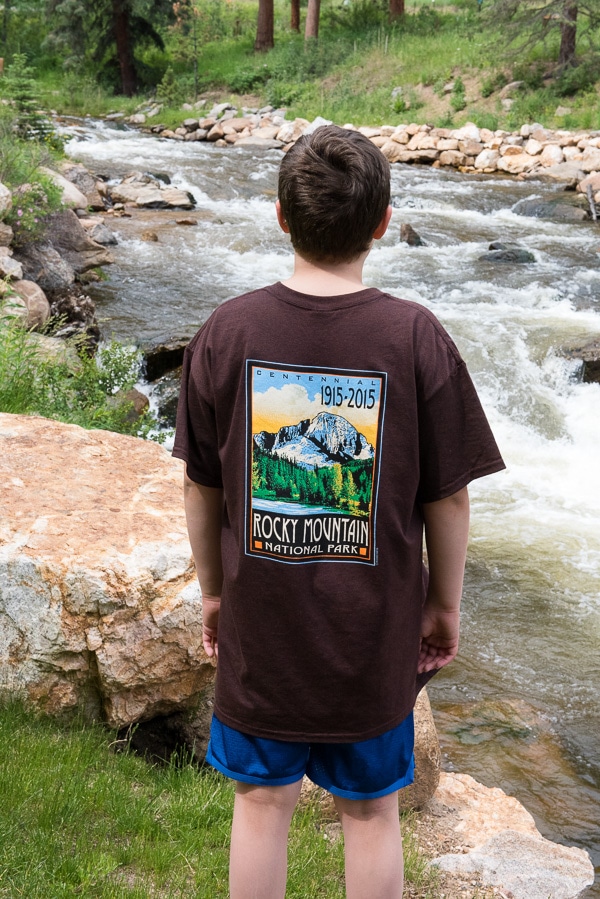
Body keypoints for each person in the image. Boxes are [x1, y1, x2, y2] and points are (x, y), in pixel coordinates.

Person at [173, 124, 505, 899]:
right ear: (383, 222)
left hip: (263, 629)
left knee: (260, 805)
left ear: (281, 217)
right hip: (373, 633)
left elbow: (200, 484)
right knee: (371, 813)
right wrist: (443, 604)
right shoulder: (415, 335)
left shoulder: (227, 329)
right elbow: (450, 494)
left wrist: (213, 592)